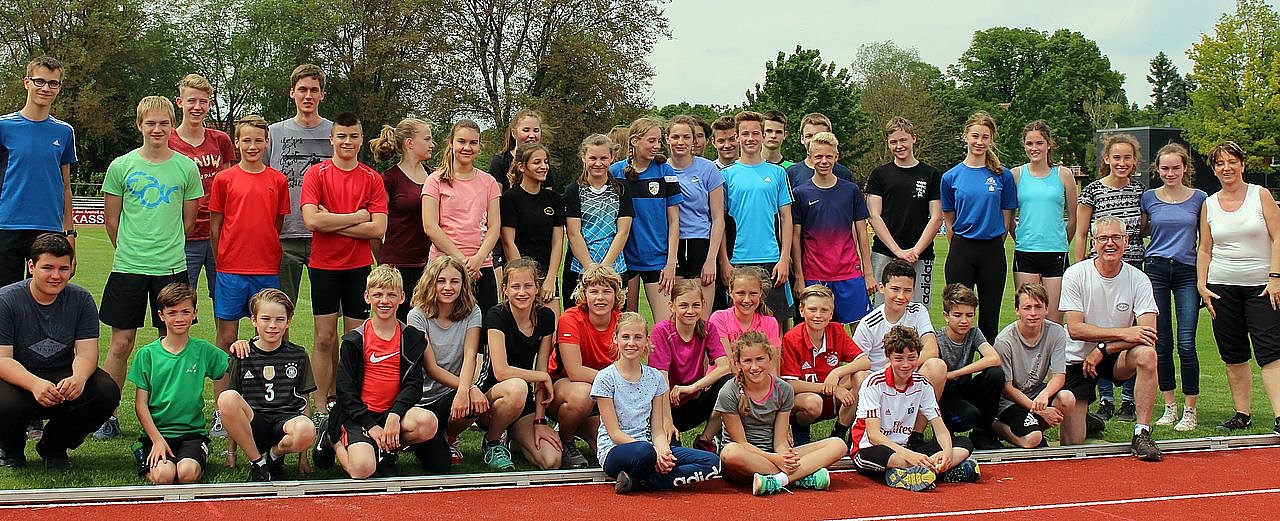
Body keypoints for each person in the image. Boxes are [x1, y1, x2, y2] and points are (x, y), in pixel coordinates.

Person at [96, 96, 202, 440]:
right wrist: (132, 250)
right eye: (151, 123)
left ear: (172, 125)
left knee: (171, 343)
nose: (157, 129)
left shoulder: (186, 168)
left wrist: (163, 250)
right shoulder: (121, 166)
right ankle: (106, 415)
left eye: (164, 123)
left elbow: (188, 223)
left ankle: (169, 418)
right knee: (121, 344)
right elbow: (112, 221)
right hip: (128, 267)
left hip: (170, 268)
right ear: (139, 125)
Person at [0, 234, 119, 470]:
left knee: (106, 391)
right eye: (48, 268)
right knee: (4, 400)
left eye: (63, 268)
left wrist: (79, 378)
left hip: (61, 373)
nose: (56, 276)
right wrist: (34, 384)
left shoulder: (81, 299)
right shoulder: (6, 300)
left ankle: (54, 446)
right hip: (19, 377)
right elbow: (2, 358)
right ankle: (10, 449)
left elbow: (86, 352)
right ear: (31, 266)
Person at [312, 265, 439, 479]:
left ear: (402, 297)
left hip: (391, 413)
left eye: (391, 295)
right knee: (362, 469)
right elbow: (345, 391)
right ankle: (332, 439)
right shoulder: (355, 340)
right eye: (378, 295)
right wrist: (370, 425)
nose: (384, 301)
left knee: (428, 424)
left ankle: (386, 448)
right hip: (358, 415)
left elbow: (414, 386)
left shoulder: (411, 338)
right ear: (367, 297)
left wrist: (395, 415)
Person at [300, 111, 388, 415]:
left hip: (358, 268)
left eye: (353, 136)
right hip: (324, 267)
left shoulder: (372, 178)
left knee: (355, 340)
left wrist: (332, 222)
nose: (347, 141)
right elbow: (312, 221)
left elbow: (378, 228)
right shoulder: (317, 174)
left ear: (361, 140)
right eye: (342, 136)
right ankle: (321, 406)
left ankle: (352, 402)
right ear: (331, 139)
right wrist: (357, 217)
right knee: (324, 338)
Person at [1060, 215, 1162, 461]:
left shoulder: (1138, 278)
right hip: (1078, 358)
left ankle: (1142, 433)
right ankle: (1086, 419)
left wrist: (1104, 348)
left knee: (1147, 355)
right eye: (1103, 238)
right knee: (1072, 443)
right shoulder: (1076, 274)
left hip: (1116, 356)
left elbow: (1148, 333)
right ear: (1093, 242)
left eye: (1116, 237)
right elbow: (1075, 329)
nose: (1110, 243)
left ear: (1126, 241)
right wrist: (1123, 332)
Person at [1197, 141, 1280, 435]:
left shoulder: (1261, 195)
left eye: (1232, 162)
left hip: (1261, 287)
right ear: (1214, 170)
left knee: (1270, 351)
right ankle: (1242, 414)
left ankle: (1279, 415)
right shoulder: (1209, 203)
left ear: (1242, 165)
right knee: (1233, 353)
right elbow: (1205, 248)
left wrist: (1275, 277)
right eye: (1220, 164)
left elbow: (1278, 237)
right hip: (1222, 287)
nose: (1227, 168)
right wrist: (1201, 284)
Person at [594, 312, 722, 494]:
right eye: (626, 337)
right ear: (616, 339)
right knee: (644, 452)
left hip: (650, 446)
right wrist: (655, 452)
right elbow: (614, 433)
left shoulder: (655, 378)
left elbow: (657, 430)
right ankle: (652, 475)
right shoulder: (605, 378)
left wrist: (663, 451)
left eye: (638, 337)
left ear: (647, 341)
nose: (631, 343)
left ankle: (641, 482)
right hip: (616, 450)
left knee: (712, 462)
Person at [209, 115, 290, 385]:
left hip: (265, 270)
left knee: (270, 334)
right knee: (226, 338)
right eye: (246, 140)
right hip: (231, 270)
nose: (252, 146)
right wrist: (223, 259)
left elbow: (276, 223)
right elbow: (215, 226)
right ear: (237, 142)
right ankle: (223, 400)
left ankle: (269, 396)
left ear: (267, 142)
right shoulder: (224, 179)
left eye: (258, 140)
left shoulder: (278, 180)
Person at [850, 325, 980, 492]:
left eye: (911, 358)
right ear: (888, 357)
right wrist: (909, 455)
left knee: (963, 443)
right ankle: (939, 470)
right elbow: (874, 435)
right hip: (870, 449)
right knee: (894, 458)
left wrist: (947, 452)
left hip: (905, 447)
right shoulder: (874, 383)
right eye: (899, 359)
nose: (906, 365)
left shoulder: (922, 384)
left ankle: (922, 471)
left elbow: (940, 428)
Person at [717, 331, 846, 496]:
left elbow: (780, 441)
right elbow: (741, 443)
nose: (754, 367)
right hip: (746, 459)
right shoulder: (729, 392)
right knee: (730, 452)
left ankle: (778, 480)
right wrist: (776, 460)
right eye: (747, 361)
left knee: (838, 445)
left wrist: (785, 456)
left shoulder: (784, 389)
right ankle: (799, 476)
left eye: (760, 359)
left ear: (770, 358)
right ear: (738, 363)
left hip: (774, 453)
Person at [1073, 133, 1145, 422]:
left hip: (1132, 268)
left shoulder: (1140, 192)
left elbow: (1144, 228)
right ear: (1107, 159)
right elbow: (1081, 233)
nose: (1122, 162)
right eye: (1116, 157)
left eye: (1127, 157)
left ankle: (1128, 398)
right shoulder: (1093, 190)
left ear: (1135, 161)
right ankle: (1104, 398)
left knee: (1131, 333)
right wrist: (1079, 267)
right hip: (1098, 269)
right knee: (1101, 329)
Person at [129, 283, 228, 484]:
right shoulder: (147, 354)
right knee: (164, 475)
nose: (179, 318)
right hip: (157, 433)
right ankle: (144, 453)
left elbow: (234, 364)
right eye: (172, 313)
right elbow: (140, 405)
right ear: (161, 315)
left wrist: (242, 345)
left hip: (191, 434)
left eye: (185, 312)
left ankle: (199, 454)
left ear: (195, 313)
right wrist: (157, 440)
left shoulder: (203, 350)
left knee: (187, 473)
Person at [406, 256, 495, 471]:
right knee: (440, 465)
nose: (448, 287)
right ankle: (413, 439)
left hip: (451, 394)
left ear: (463, 284)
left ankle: (450, 436)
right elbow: (431, 368)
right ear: (431, 283)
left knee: (472, 404)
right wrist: (468, 388)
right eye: (441, 281)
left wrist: (465, 391)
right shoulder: (417, 315)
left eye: (455, 281)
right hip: (423, 401)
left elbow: (470, 355)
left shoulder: (473, 312)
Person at [217, 289, 317, 481]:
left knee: (306, 430)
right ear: (254, 320)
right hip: (254, 424)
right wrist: (231, 452)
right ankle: (258, 463)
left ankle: (274, 454)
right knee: (227, 398)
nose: (272, 325)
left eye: (279, 320)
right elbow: (231, 407)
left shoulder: (298, 355)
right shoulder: (242, 354)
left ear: (288, 322)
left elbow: (304, 402)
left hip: (285, 422)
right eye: (265, 319)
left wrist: (303, 457)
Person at [1142, 143, 1206, 432]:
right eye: (1165, 168)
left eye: (1175, 168)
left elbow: (1205, 241)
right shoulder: (1149, 198)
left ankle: (1190, 409)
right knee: (1162, 341)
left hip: (1186, 271)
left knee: (1186, 342)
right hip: (1156, 269)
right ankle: (1169, 406)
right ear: (1157, 169)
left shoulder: (1199, 198)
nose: (1170, 173)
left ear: (1185, 169)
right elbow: (1143, 229)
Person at [941, 111, 1017, 343]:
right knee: (959, 315)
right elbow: (949, 220)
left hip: (992, 251)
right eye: (975, 136)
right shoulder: (951, 177)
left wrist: (992, 240)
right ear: (965, 136)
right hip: (962, 250)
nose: (979, 142)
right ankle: (956, 364)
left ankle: (989, 364)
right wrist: (961, 244)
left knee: (989, 318)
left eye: (985, 137)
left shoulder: (1002, 175)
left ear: (991, 139)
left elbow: (1007, 217)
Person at [0, 56, 77, 286]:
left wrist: (70, 233)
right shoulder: (4, 127)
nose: (45, 88)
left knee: (45, 296)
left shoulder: (64, 132)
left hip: (48, 228)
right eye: (39, 81)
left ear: (59, 87)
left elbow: (65, 186)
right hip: (7, 226)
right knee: (5, 298)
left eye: (53, 83)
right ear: (27, 82)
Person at [852, 259, 946, 446]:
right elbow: (855, 363)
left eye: (907, 290)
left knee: (937, 366)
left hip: (909, 375)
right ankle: (862, 432)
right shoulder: (869, 324)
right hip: (880, 382)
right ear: (882, 288)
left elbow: (931, 349)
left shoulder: (918, 311)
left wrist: (905, 365)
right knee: (860, 377)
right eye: (895, 289)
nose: (901, 296)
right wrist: (890, 372)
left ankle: (916, 436)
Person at [481, 257, 563, 470]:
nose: (522, 292)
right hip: (492, 397)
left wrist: (540, 421)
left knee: (551, 460)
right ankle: (492, 441)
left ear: (537, 288)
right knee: (517, 387)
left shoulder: (545, 316)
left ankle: (514, 440)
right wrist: (541, 376)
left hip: (522, 399)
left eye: (528, 286)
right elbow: (501, 371)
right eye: (515, 286)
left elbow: (542, 368)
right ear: (505, 289)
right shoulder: (496, 315)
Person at [266, 64, 333, 308]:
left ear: (322, 95)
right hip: (284, 234)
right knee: (278, 309)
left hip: (325, 235)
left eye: (314, 90)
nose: (308, 96)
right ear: (292, 92)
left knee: (327, 312)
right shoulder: (274, 133)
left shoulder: (336, 133)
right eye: (302, 89)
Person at [790, 132, 874, 325]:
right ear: (810, 158)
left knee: (860, 329)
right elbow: (796, 237)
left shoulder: (851, 190)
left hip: (849, 272)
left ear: (836, 157)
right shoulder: (800, 193)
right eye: (818, 156)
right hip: (814, 274)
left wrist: (868, 273)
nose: (824, 161)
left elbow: (862, 233)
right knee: (816, 327)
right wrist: (799, 277)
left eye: (829, 156)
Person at [720, 111, 793, 332]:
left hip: (772, 259)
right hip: (738, 260)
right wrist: (724, 261)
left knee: (775, 326)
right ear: (737, 137)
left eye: (755, 133)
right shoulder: (726, 175)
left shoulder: (778, 173)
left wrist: (784, 258)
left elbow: (786, 218)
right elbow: (720, 222)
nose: (750, 138)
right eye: (745, 134)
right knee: (739, 328)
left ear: (762, 136)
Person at [547, 264, 625, 468]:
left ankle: (580, 426)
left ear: (616, 295)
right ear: (584, 294)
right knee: (583, 395)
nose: (600, 298)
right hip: (565, 387)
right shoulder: (570, 319)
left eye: (606, 291)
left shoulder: (622, 321)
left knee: (610, 449)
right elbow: (575, 371)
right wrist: (616, 382)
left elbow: (629, 367)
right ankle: (566, 439)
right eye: (594, 291)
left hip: (604, 394)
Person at [422, 119, 501, 312]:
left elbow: (494, 227)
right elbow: (430, 226)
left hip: (481, 267)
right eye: (461, 141)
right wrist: (460, 260)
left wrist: (478, 259)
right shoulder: (435, 180)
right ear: (451, 143)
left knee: (484, 324)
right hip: (443, 266)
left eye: (473, 143)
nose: (467, 148)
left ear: (479, 146)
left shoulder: (489, 182)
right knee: (441, 322)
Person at [170, 73, 236, 298]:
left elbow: (228, 185)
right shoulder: (168, 141)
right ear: (180, 102)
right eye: (191, 101)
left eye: (203, 101)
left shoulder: (220, 140)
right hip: (184, 234)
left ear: (209, 104)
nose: (197, 107)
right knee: (180, 298)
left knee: (224, 298)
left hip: (219, 232)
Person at [865, 117, 942, 308]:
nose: (899, 146)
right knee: (881, 311)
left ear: (913, 138)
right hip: (884, 253)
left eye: (903, 140)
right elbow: (874, 215)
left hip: (921, 255)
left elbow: (936, 217)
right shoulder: (879, 174)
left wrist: (915, 251)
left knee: (918, 312)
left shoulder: (931, 174)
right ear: (887, 143)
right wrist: (897, 251)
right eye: (893, 142)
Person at [611, 117, 681, 322]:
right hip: (625, 261)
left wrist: (671, 262)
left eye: (659, 141)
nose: (657, 146)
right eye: (651, 141)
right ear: (635, 141)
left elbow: (674, 221)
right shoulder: (615, 172)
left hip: (657, 260)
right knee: (627, 325)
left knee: (666, 325)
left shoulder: (664, 171)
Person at [992, 283, 1078, 449]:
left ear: (1046, 309)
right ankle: (996, 426)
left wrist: (1044, 395)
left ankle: (1034, 427)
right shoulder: (1004, 341)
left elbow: (1059, 376)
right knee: (1033, 439)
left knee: (1067, 399)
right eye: (1027, 308)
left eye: (1038, 307)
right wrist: (1039, 409)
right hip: (1010, 401)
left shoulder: (1057, 332)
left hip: (1036, 393)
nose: (1033, 313)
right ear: (1017, 310)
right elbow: (1007, 389)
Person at [649, 280, 731, 452]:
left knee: (729, 383)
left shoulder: (708, 329)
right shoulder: (662, 331)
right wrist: (667, 420)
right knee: (673, 456)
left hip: (691, 401)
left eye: (695, 305)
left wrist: (693, 387)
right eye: (683, 305)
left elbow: (725, 366)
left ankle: (705, 439)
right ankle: (663, 433)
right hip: (664, 405)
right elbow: (660, 379)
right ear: (672, 306)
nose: (690, 311)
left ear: (703, 305)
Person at [780, 285, 867, 446]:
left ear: (831, 313)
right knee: (813, 403)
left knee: (862, 377)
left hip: (834, 398)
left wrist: (837, 373)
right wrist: (831, 388)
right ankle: (801, 429)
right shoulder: (791, 338)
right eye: (812, 309)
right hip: (808, 398)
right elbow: (790, 384)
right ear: (801, 311)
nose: (818, 315)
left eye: (824, 310)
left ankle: (840, 431)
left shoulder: (837, 330)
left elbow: (864, 361)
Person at [368, 118, 434, 322]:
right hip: (396, 266)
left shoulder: (435, 177)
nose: (432, 144)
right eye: (427, 139)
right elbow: (375, 226)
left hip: (429, 266)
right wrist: (384, 262)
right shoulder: (389, 179)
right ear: (410, 143)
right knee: (395, 324)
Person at [1011, 121, 1077, 323]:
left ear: (1049, 144)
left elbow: (1073, 218)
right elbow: (1009, 219)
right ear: (1024, 145)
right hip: (1026, 252)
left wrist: (1059, 241)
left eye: (1039, 143)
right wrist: (1022, 238)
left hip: (1056, 253)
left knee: (1054, 319)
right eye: (1029, 143)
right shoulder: (1016, 175)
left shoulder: (1063, 175)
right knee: (1029, 316)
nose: (1034, 148)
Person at [563, 134, 633, 309]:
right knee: (578, 319)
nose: (598, 163)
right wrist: (590, 269)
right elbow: (573, 233)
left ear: (612, 158)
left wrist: (604, 269)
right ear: (583, 158)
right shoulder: (573, 190)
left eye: (603, 158)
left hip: (614, 268)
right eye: (593, 158)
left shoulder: (621, 188)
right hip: (579, 268)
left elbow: (623, 231)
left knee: (615, 320)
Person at [666, 115, 725, 317]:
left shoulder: (708, 169)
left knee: (701, 314)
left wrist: (711, 259)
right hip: (671, 245)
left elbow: (718, 218)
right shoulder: (661, 169)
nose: (680, 142)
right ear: (667, 138)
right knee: (677, 313)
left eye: (686, 137)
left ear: (694, 140)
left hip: (700, 242)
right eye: (675, 137)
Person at [934, 284, 1004, 450]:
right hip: (945, 392)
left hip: (962, 385)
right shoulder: (937, 338)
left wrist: (955, 373)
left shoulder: (974, 333)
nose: (964, 321)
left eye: (969, 315)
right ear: (946, 316)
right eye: (958, 315)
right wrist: (950, 377)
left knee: (995, 375)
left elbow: (994, 358)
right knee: (970, 416)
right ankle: (945, 430)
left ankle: (983, 433)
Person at [500, 143, 565, 311]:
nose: (544, 166)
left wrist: (550, 279)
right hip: (519, 278)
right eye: (537, 162)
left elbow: (558, 242)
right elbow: (508, 242)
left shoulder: (554, 199)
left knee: (551, 325)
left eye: (546, 162)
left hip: (547, 276)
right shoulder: (509, 199)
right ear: (521, 166)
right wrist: (525, 280)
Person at [708, 267, 781, 346]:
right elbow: (724, 353)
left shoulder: (770, 323)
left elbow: (774, 353)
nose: (747, 300)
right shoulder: (720, 318)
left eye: (753, 293)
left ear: (760, 293)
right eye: (740, 293)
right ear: (730, 292)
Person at [785, 113, 855, 187]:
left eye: (819, 135)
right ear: (802, 139)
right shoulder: (791, 174)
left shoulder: (844, 174)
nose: (813, 140)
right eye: (809, 136)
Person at [488, 109, 546, 192]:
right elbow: (496, 196)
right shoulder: (500, 161)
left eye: (536, 130)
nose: (532, 135)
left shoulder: (543, 163)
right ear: (513, 133)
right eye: (526, 130)